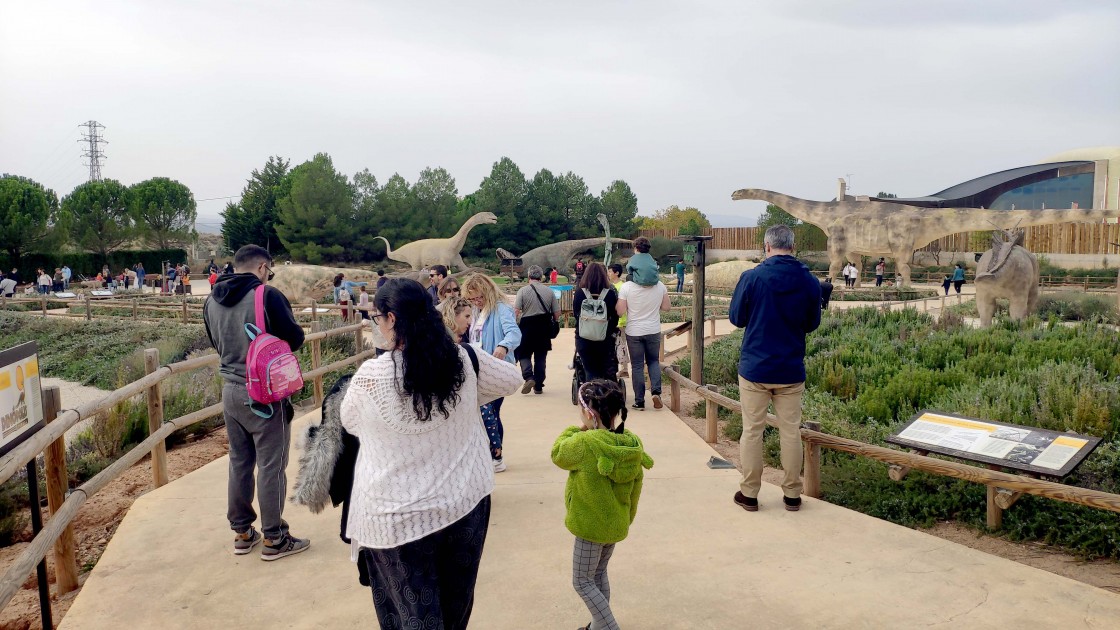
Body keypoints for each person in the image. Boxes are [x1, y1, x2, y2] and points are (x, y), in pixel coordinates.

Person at [342, 278, 521, 628]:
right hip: (464, 506)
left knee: (413, 617)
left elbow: (350, 421)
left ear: (391, 319)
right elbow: (511, 380)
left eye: (377, 317)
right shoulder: (463, 360)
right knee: (454, 610)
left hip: (395, 521)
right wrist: (467, 400)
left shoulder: (371, 376)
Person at [203, 244, 309, 560]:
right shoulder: (267, 296)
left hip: (230, 392)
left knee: (239, 461)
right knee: (271, 466)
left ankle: (242, 532)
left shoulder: (210, 300)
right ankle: (275, 538)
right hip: (263, 394)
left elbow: (215, 342)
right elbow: (296, 338)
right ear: (263, 267)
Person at [729, 225, 821, 513]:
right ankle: (793, 494)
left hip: (756, 367)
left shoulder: (752, 277)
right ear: (792, 247)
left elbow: (736, 318)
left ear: (766, 247)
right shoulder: (809, 281)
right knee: (790, 432)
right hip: (791, 368)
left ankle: (750, 493)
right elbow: (812, 324)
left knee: (752, 431)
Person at [552, 379, 653, 630]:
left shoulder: (585, 444)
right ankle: (598, 626)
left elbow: (558, 453)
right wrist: (626, 518)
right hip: (615, 523)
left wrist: (577, 429)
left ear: (588, 413)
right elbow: (636, 489)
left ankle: (609, 627)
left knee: (582, 581)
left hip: (590, 526)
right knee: (597, 575)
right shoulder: (630, 444)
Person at [461, 273, 522, 472]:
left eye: (479, 297)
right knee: (488, 413)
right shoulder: (476, 311)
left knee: (489, 412)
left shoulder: (501, 308)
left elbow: (514, 332)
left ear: (487, 291)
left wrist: (504, 346)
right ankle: (491, 453)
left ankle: (496, 455)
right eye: (472, 299)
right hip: (478, 368)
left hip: (495, 369)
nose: (476, 301)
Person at [617, 267, 670, 411]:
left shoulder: (627, 287)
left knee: (637, 365)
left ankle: (639, 401)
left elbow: (620, 311)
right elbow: (666, 307)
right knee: (653, 361)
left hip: (634, 331)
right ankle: (656, 392)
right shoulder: (660, 285)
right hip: (653, 330)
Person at [514, 265, 559, 395]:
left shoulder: (522, 291)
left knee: (523, 352)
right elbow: (557, 314)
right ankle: (538, 385)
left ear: (529, 277)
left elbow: (516, 311)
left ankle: (528, 377)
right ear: (541, 277)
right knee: (540, 355)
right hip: (543, 325)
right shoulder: (549, 291)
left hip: (527, 325)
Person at [574, 263, 620, 383]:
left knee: (590, 369)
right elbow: (615, 317)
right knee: (603, 368)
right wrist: (608, 330)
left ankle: (591, 396)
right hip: (604, 339)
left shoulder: (580, 293)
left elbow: (576, 315)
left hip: (584, 338)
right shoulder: (609, 294)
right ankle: (605, 393)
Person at [607, 264, 630, 378]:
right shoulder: (610, 286)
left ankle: (624, 369)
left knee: (621, 345)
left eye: (610, 271)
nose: (608, 273)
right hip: (614, 321)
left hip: (621, 321)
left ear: (616, 273)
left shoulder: (622, 286)